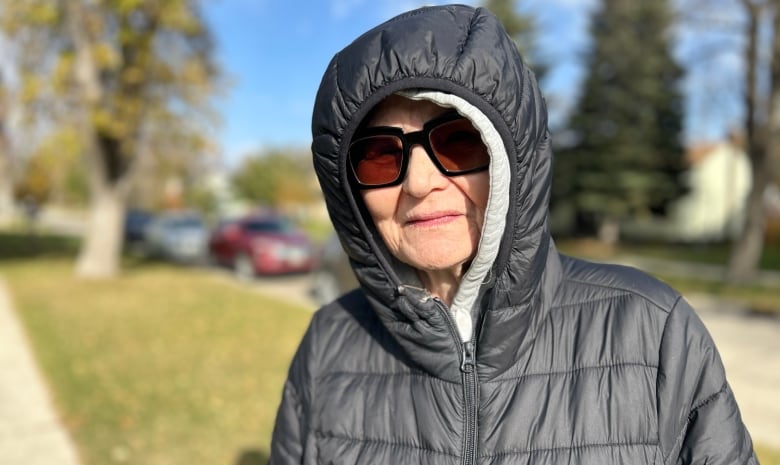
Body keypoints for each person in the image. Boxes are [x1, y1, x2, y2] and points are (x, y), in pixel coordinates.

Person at [269, 4, 758, 464]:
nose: (419, 183)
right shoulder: (328, 346)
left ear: (510, 159)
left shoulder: (652, 329)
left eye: (457, 141)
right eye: (379, 156)